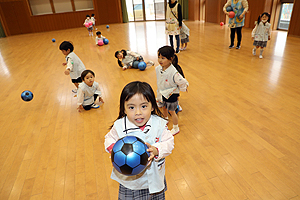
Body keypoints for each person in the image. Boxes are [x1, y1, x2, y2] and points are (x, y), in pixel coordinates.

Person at [104, 81, 174, 199]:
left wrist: (157, 150)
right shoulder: (120, 125)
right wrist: (114, 149)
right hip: (130, 183)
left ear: (152, 106)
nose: (138, 112)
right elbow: (109, 138)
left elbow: (169, 142)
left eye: (143, 106)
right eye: (131, 107)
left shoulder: (159, 124)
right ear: (124, 109)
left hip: (155, 180)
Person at [156, 46, 189, 135]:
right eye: (159, 57)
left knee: (172, 111)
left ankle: (175, 127)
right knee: (164, 107)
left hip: (171, 93)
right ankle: (165, 119)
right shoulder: (158, 68)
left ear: (170, 59)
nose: (160, 60)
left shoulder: (174, 72)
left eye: (163, 58)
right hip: (163, 92)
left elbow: (183, 82)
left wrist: (182, 89)